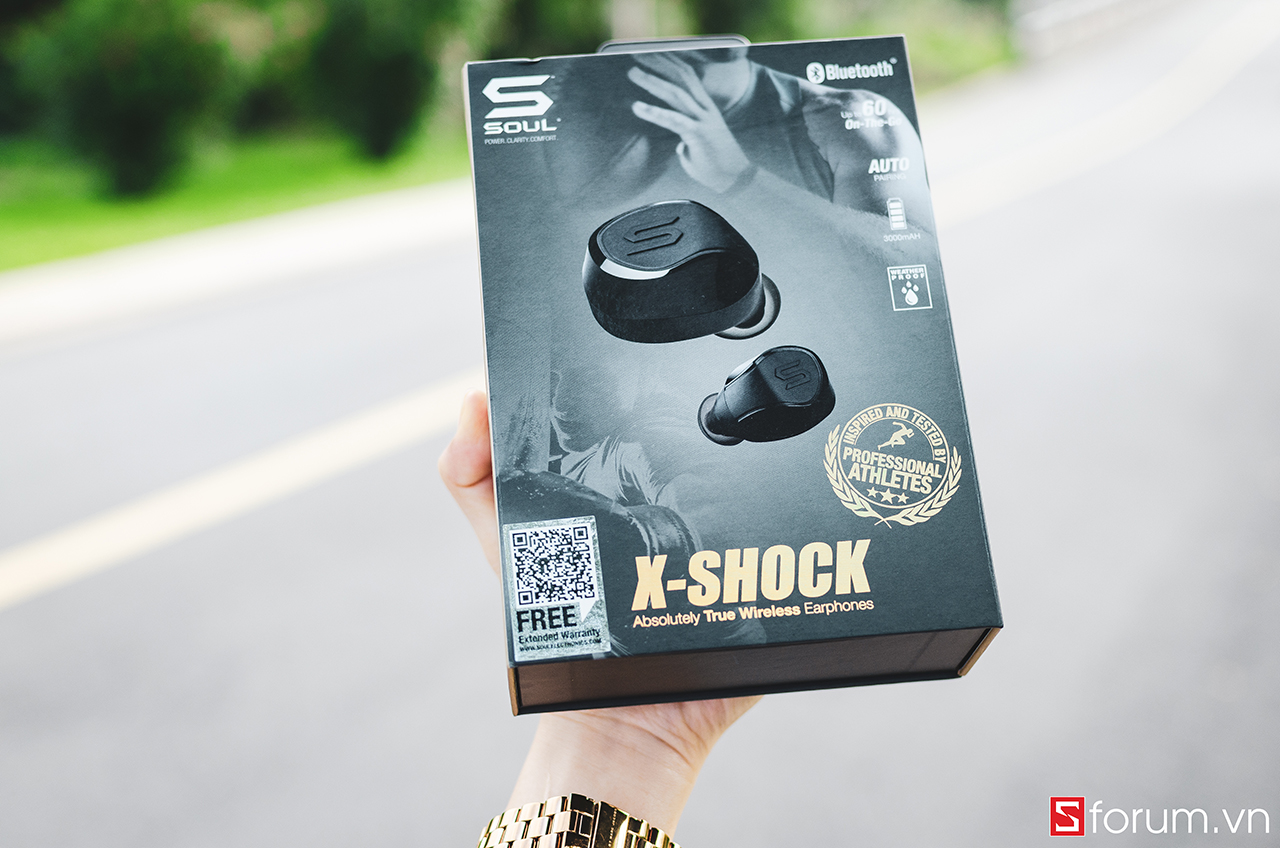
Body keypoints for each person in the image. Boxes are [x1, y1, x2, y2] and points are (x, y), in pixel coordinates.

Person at [440, 389, 757, 843]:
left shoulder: (640, 446)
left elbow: (710, 526)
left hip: (701, 629)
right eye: (556, 385)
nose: (564, 395)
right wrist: (604, 724)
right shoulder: (558, 460)